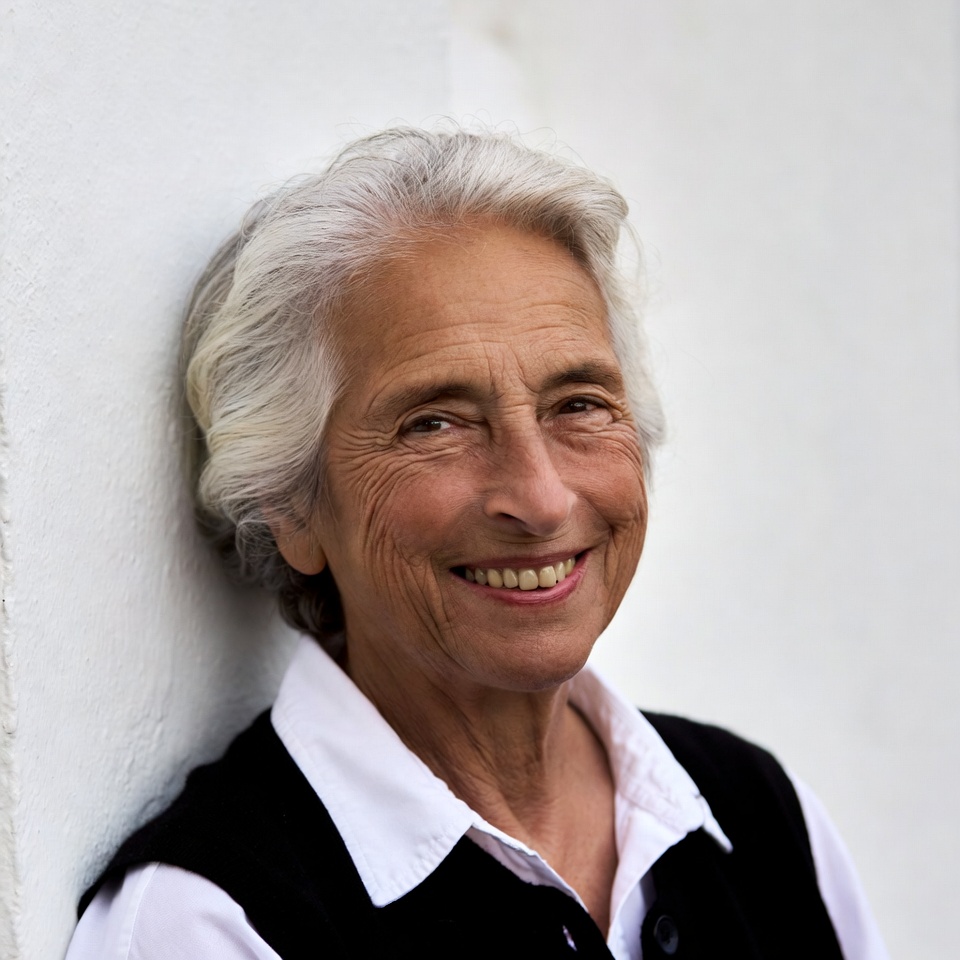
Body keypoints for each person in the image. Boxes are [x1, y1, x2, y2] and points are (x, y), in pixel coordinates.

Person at [67, 127, 887, 959]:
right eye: (434, 423)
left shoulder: (757, 818)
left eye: (579, 404)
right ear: (291, 508)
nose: (539, 497)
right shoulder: (211, 921)